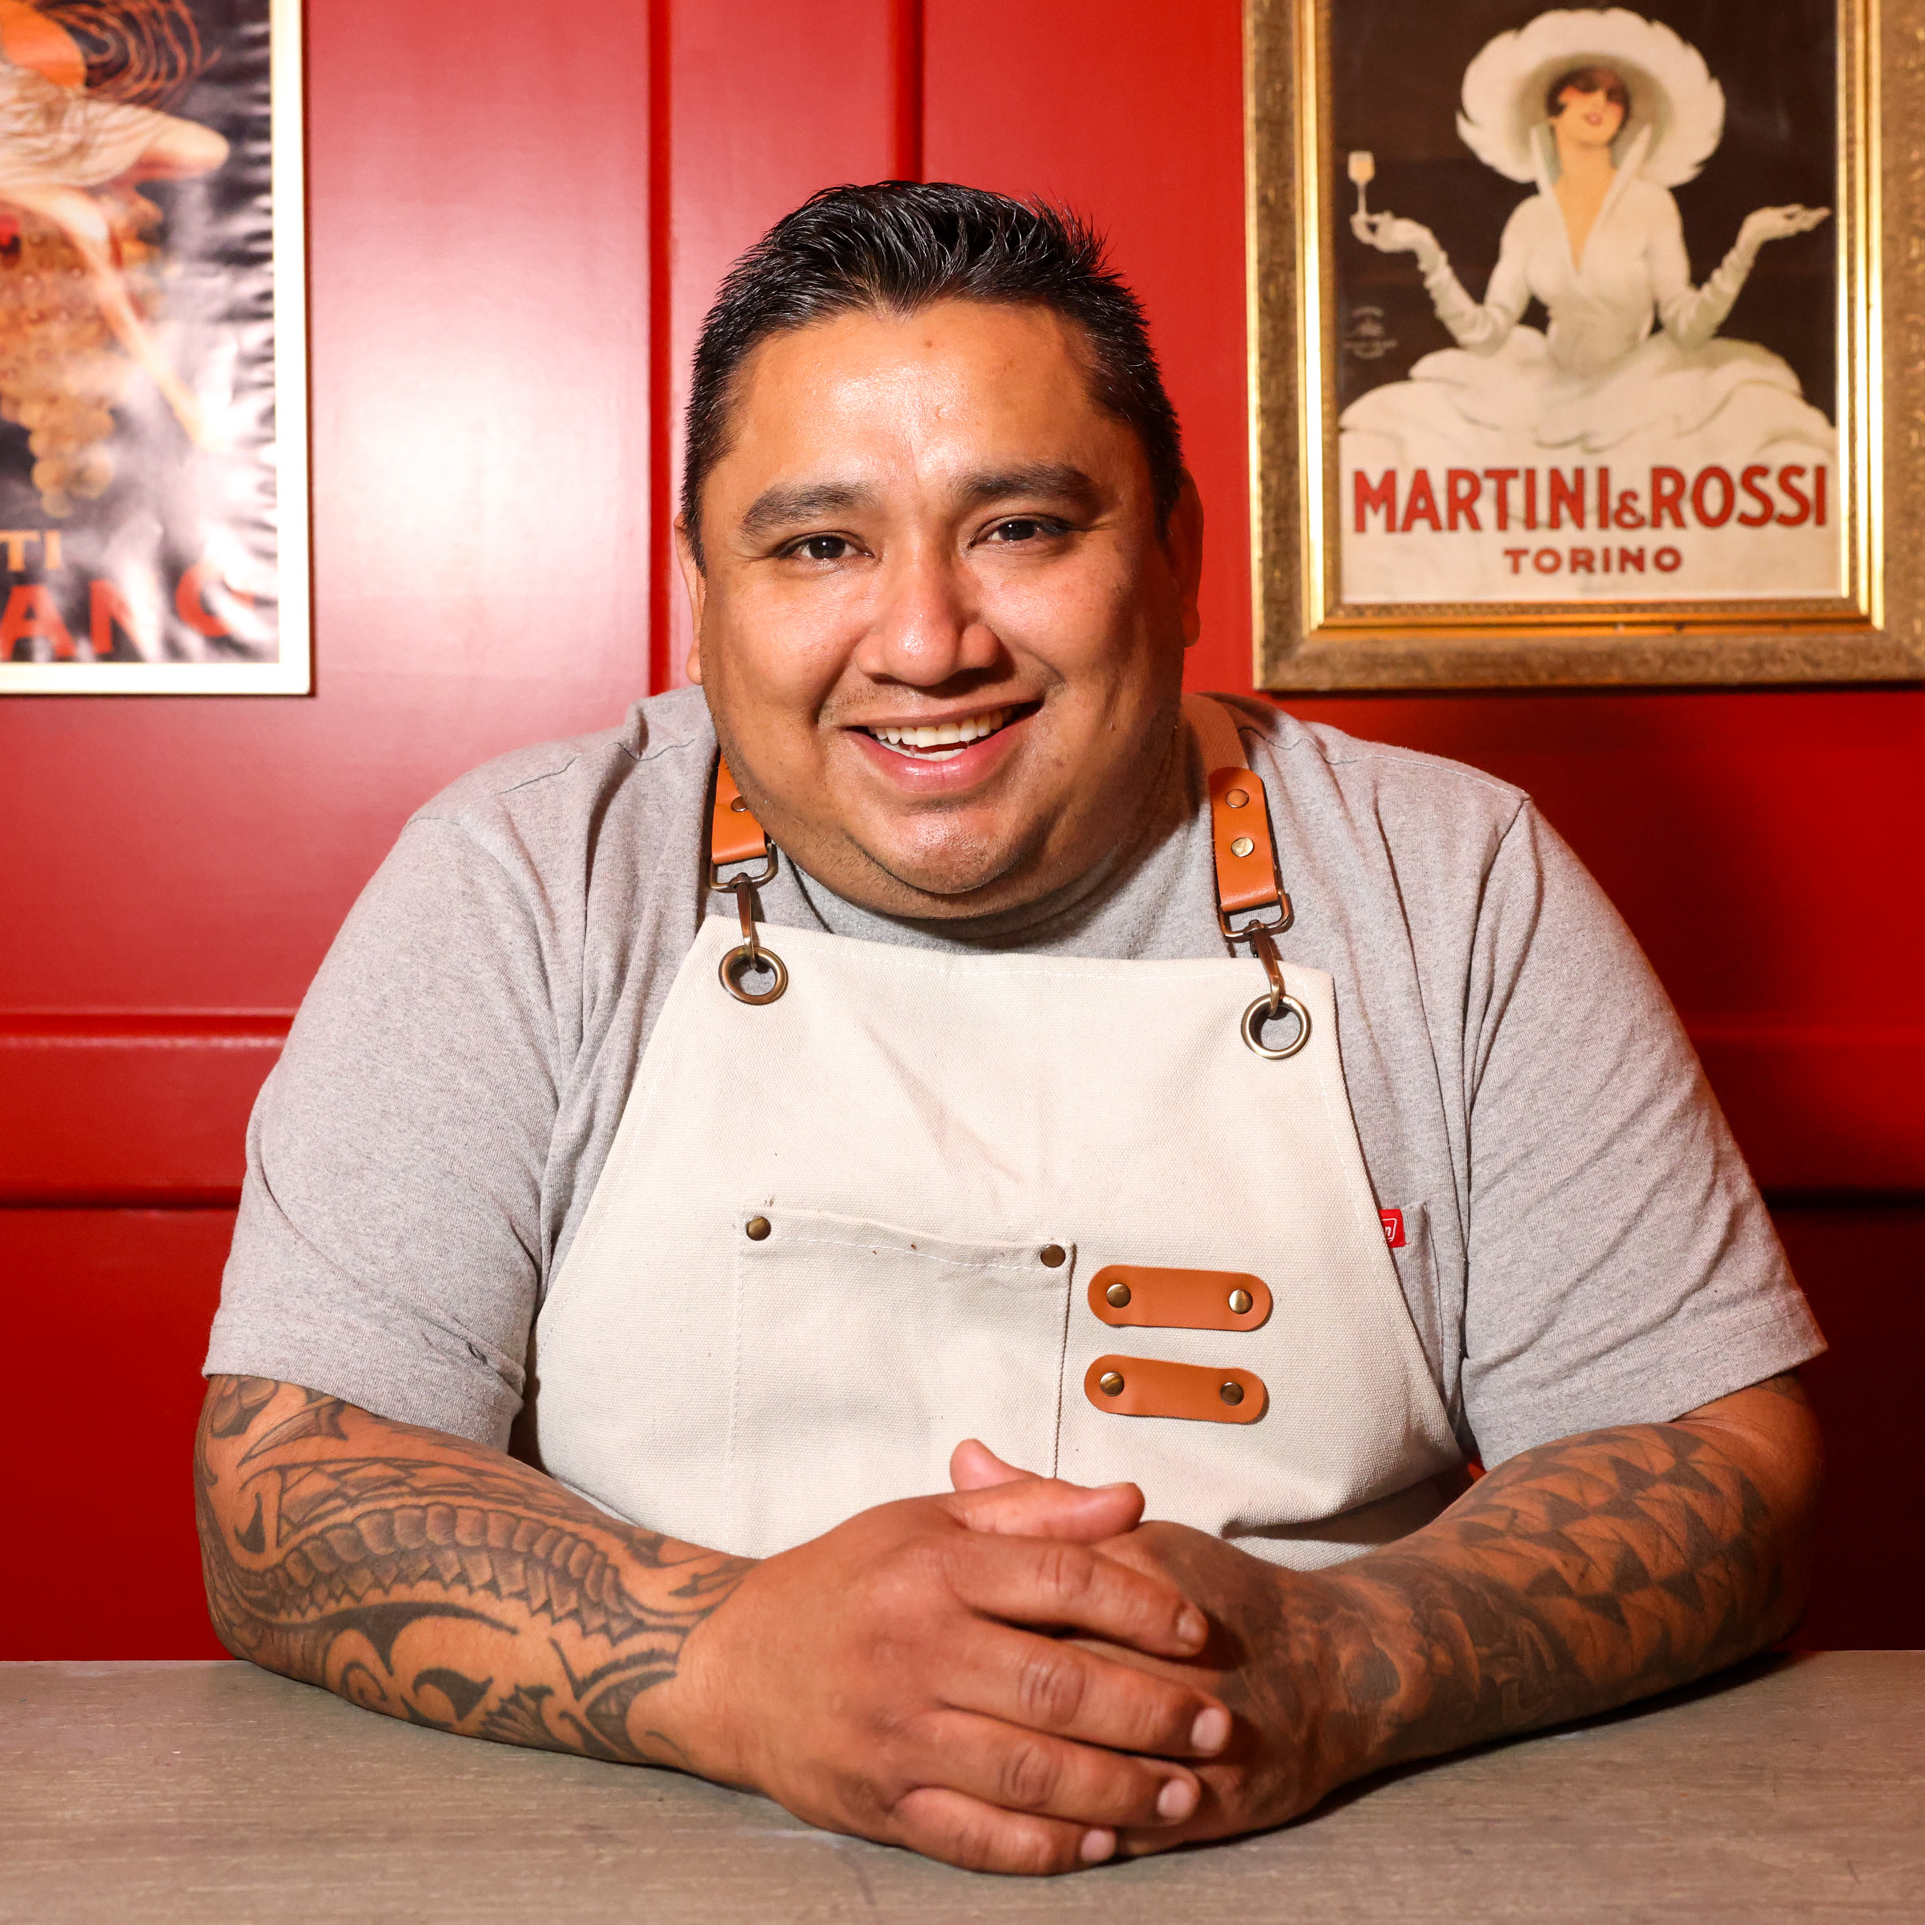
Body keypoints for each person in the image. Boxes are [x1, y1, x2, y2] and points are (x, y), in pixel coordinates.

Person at [196, 181, 1823, 1877]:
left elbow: (1715, 1455)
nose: (924, 642)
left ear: (1179, 551)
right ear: (703, 590)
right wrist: (739, 1666)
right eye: (819, 545)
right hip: (648, 1842)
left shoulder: (1452, 881)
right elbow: (286, 1477)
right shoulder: (528, 877)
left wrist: (1342, 1661)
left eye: (1024, 528)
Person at [1342, 10, 1834, 599]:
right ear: (1552, 110)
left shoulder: (1652, 205)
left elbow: (1686, 326)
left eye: (1615, 95)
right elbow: (1486, 334)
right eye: (1584, 89)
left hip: (1645, 386)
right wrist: (1424, 251)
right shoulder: (1528, 218)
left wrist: (1748, 241)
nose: (1600, 102)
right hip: (1540, 391)